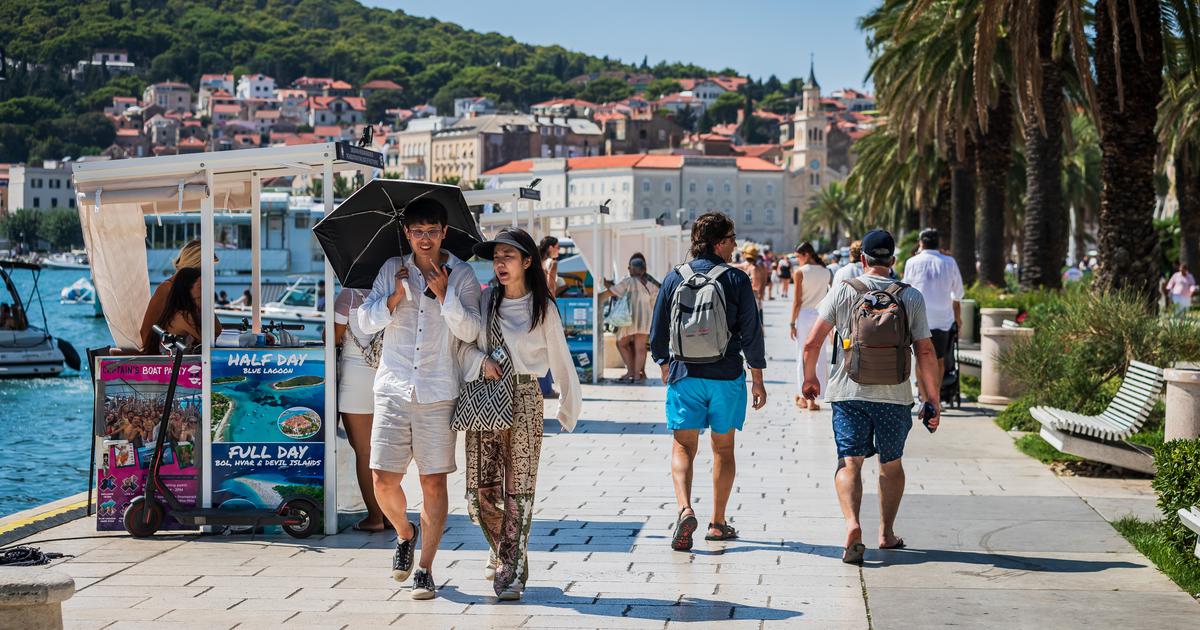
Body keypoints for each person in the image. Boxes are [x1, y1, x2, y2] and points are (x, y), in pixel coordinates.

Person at [358, 197, 482, 600]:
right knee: (383, 479)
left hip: (437, 390)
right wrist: (393, 299)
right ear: (406, 233)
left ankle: (425, 568)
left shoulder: (462, 275)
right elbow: (364, 321)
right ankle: (404, 533)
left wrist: (445, 296)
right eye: (417, 232)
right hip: (393, 387)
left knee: (432, 481)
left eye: (431, 231)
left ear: (444, 233)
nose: (424, 239)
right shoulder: (391, 269)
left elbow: (471, 332)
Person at [800, 229, 941, 565]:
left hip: (848, 392)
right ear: (893, 260)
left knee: (849, 461)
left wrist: (810, 379)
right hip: (895, 395)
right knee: (890, 464)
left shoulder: (843, 290)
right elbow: (925, 351)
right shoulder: (910, 296)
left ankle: (852, 524)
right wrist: (932, 399)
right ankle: (886, 533)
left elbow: (812, 342)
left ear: (862, 258)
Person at [458, 227, 582, 601]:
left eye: (508, 257)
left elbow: (561, 359)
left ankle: (510, 570)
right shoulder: (485, 302)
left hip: (525, 398)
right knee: (479, 496)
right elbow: (462, 348)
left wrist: (568, 407)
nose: (500, 264)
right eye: (496, 257)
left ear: (527, 261)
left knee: (519, 489)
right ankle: (506, 551)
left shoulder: (543, 308)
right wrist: (481, 362)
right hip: (486, 396)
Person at [649, 212, 767, 552]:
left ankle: (685, 509)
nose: (734, 244)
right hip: (726, 375)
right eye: (731, 238)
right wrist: (757, 379)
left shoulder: (675, 277)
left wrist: (664, 364)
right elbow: (751, 332)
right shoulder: (736, 279)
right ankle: (717, 523)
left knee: (683, 447)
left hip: (685, 375)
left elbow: (657, 333)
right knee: (723, 450)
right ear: (719, 243)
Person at [334, 286, 386, 533]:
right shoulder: (387, 293)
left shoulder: (349, 295)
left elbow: (331, 338)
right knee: (382, 452)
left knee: (364, 453)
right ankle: (388, 512)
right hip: (384, 377)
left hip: (355, 381)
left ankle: (375, 517)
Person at [901, 229, 963, 403]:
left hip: (918, 319)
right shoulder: (949, 262)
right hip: (943, 320)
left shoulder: (912, 262)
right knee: (939, 360)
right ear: (938, 243)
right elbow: (958, 294)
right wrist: (958, 318)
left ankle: (924, 398)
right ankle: (935, 398)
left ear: (921, 243)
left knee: (920, 359)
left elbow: (905, 291)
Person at [140, 240, 216, 353]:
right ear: (196, 266)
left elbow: (214, 330)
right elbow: (145, 332)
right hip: (166, 357)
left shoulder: (193, 291)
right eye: (209, 268)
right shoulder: (166, 288)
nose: (210, 273)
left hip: (185, 354)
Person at [598, 253, 660, 382]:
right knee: (640, 347)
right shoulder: (651, 283)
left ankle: (631, 372)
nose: (628, 269)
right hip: (645, 319)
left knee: (621, 343)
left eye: (629, 267)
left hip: (629, 319)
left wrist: (595, 299)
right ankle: (637, 375)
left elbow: (612, 292)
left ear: (633, 268)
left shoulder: (628, 281)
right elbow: (655, 302)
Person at [790, 242, 833, 410]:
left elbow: (797, 301)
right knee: (819, 355)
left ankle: (804, 397)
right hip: (821, 315)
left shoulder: (800, 272)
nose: (797, 260)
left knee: (802, 354)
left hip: (804, 315)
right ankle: (814, 398)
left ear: (806, 254)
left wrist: (792, 322)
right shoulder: (826, 272)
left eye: (798, 256)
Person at [155, 268, 222, 352]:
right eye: (201, 287)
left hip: (180, 359)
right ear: (187, 288)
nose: (205, 290)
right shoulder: (182, 316)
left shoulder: (185, 312)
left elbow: (218, 332)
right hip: (175, 360)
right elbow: (212, 339)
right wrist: (204, 305)